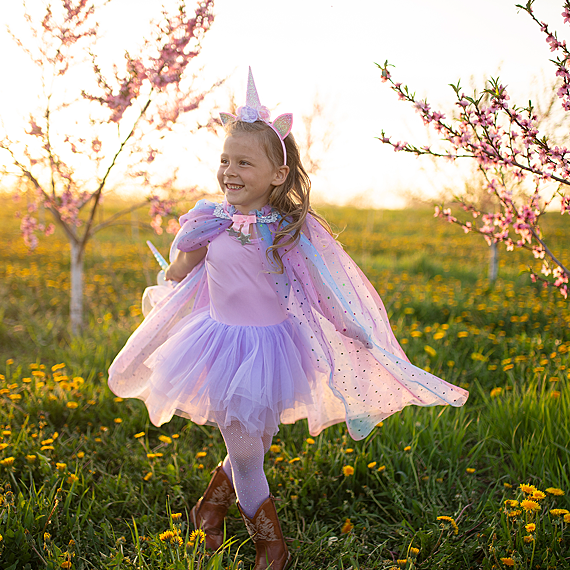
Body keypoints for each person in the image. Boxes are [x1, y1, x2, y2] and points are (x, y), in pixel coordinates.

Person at [108, 68, 469, 570]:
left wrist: (350, 326)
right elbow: (178, 273)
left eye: (243, 163)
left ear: (277, 174)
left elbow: (319, 289)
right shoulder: (207, 223)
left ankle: (208, 512)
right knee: (248, 452)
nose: (229, 172)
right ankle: (271, 549)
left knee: (256, 441)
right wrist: (181, 247)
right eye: (224, 161)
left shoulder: (286, 231)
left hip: (274, 349)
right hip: (220, 347)